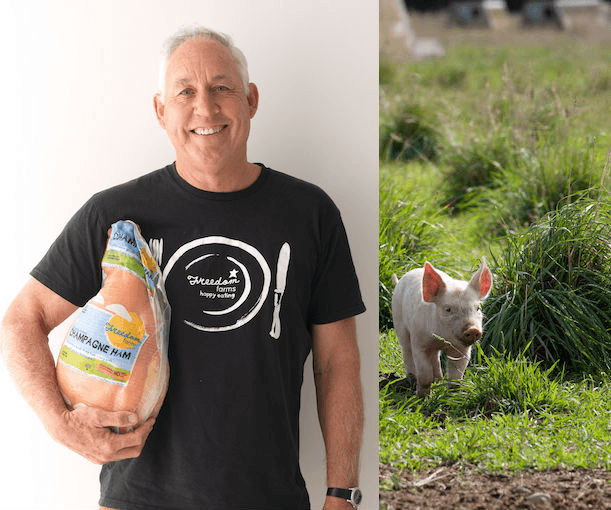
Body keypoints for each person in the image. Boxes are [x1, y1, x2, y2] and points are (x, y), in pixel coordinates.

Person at [0, 27, 365, 510]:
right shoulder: (116, 216)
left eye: (222, 87)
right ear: (161, 111)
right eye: (185, 92)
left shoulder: (309, 214)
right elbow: (21, 320)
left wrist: (343, 494)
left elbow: (337, 362)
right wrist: (61, 425)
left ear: (251, 100)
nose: (205, 109)